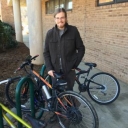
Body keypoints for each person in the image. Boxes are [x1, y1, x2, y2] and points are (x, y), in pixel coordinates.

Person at [43, 7, 85, 91]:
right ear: (54, 19)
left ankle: (70, 104)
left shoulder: (73, 31)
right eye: (57, 18)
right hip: (55, 71)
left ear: (65, 18)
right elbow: (46, 52)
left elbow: (81, 48)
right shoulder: (50, 34)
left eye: (62, 17)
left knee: (69, 92)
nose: (60, 20)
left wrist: (75, 64)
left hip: (69, 70)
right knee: (58, 95)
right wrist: (49, 68)